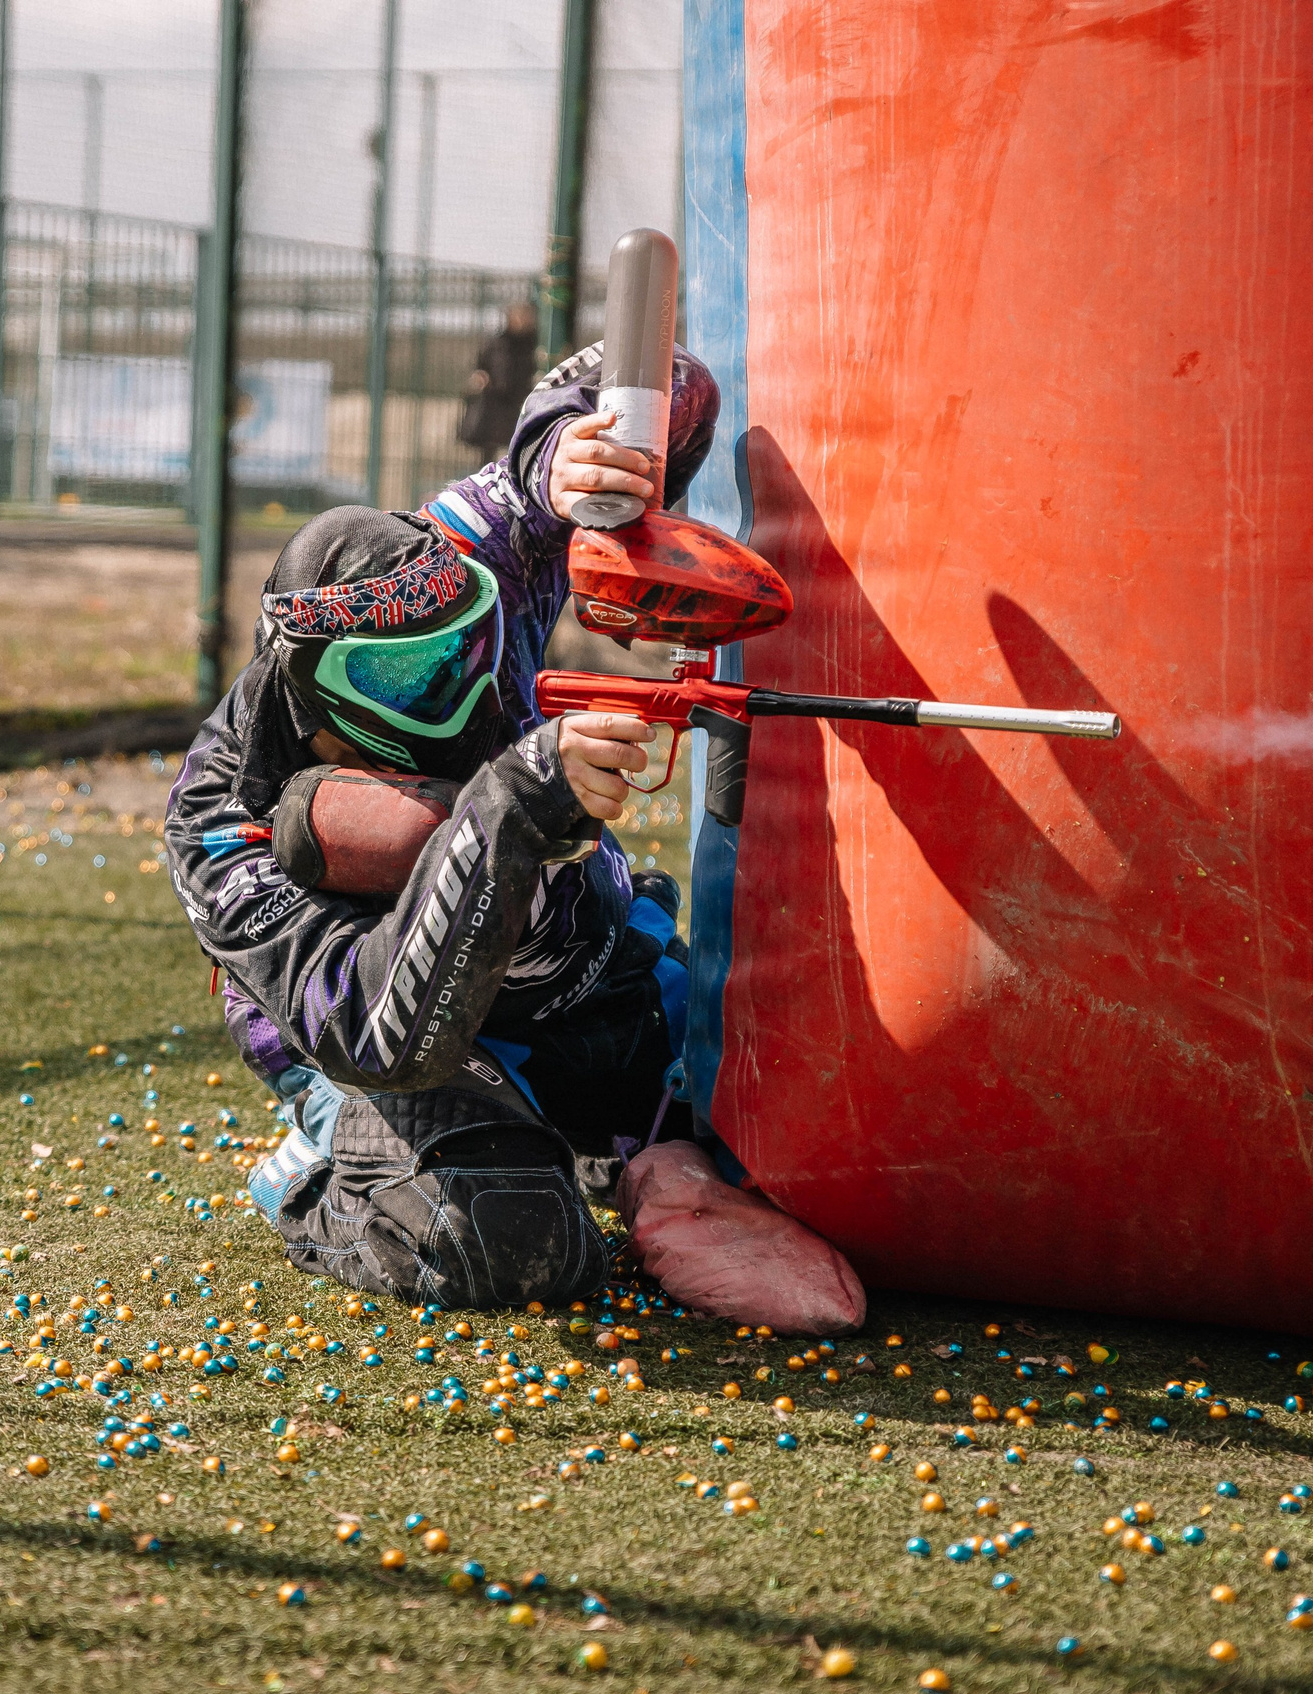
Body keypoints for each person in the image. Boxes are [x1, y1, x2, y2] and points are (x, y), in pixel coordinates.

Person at [163, 342, 867, 1328]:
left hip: (597, 976)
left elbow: (668, 374)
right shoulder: (219, 827)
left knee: (867, 1136)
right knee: (506, 1235)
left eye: (469, 651)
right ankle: (325, 1174)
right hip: (419, 1059)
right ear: (311, 687)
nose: (459, 696)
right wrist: (516, 803)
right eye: (405, 682)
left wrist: (576, 465)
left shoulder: (459, 561)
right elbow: (379, 1035)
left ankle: (644, 1152)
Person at [456, 300, 540, 463]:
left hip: (521, 400)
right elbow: (480, 366)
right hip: (494, 401)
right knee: (488, 447)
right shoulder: (497, 342)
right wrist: (480, 377)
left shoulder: (534, 343)